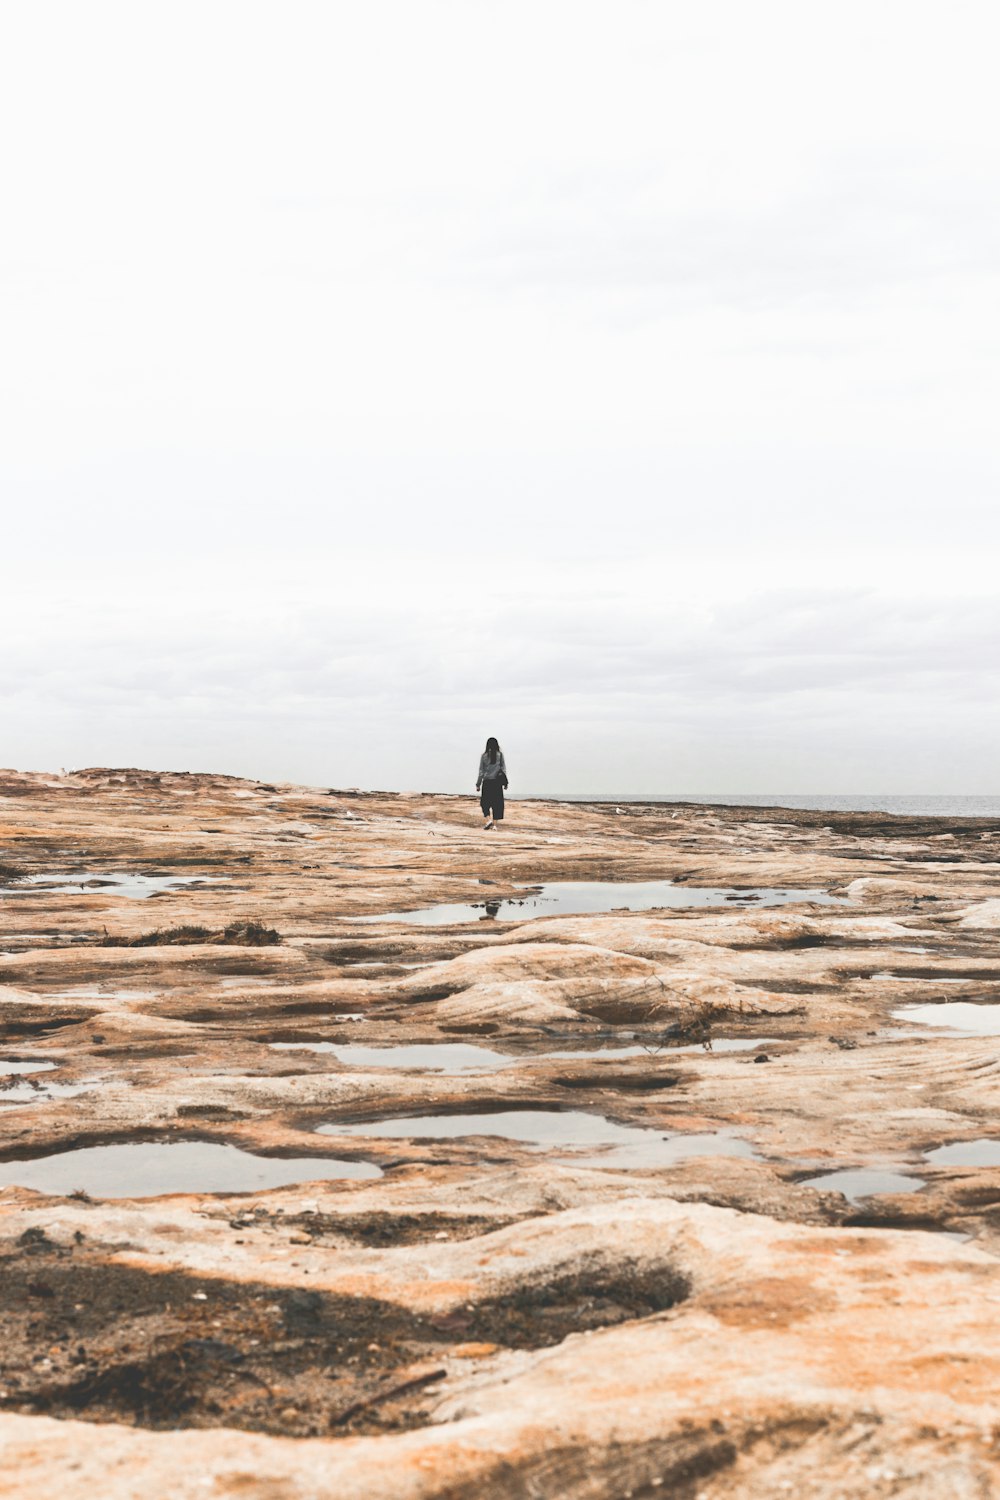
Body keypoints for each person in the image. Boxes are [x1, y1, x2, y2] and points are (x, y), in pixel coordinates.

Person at [476, 736, 508, 830]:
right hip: (497, 783)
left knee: (484, 803)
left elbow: (481, 772)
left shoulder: (484, 756)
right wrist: (505, 783)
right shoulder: (500, 755)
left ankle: (488, 819)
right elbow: (503, 770)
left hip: (487, 783)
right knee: (497, 804)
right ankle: (494, 826)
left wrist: (478, 784)